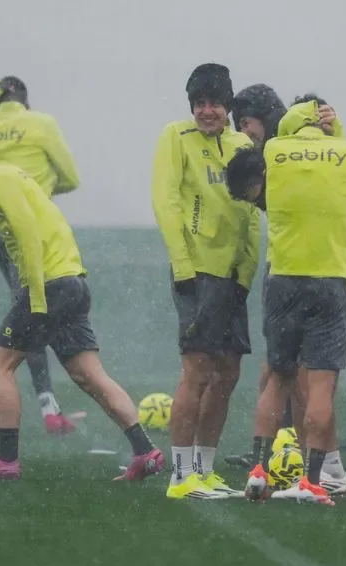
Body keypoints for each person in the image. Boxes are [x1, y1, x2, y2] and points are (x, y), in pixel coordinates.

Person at [0, 148, 165, 482]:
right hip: (72, 283)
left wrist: (35, 297)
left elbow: (28, 233)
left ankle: (6, 459)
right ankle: (145, 451)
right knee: (89, 374)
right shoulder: (12, 178)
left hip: (49, 286)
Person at [229, 99, 346, 505]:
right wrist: (334, 124)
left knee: (279, 377)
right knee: (321, 385)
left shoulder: (273, 152)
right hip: (331, 278)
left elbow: (285, 132)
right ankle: (311, 480)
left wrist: (298, 120)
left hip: (285, 278)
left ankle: (257, 470)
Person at [151, 63, 261, 499]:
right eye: (199, 103)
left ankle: (204, 468)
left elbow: (252, 213)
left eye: (214, 102)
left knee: (228, 372)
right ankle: (181, 477)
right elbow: (166, 201)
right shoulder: (175, 138)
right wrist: (183, 266)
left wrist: (247, 273)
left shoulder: (241, 144)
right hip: (197, 272)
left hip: (234, 278)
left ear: (228, 105)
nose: (206, 111)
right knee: (197, 370)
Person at [0, 76, 82, 439]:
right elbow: (71, 178)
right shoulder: (41, 124)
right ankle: (16, 398)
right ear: (26, 100)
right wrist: (38, 188)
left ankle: (39, 402)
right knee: (33, 309)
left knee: (26, 306)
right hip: (35, 228)